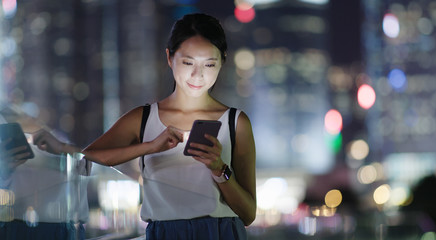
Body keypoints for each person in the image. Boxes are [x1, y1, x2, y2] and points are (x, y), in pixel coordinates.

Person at [82, 13, 256, 239]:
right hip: (164, 233)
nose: (198, 74)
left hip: (220, 232)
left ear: (222, 61)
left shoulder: (236, 122)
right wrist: (150, 146)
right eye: (188, 62)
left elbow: (248, 214)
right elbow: (89, 156)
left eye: (209, 64)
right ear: (169, 57)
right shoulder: (143, 118)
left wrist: (219, 169)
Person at [0, 104, 90, 240]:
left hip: (56, 226)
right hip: (21, 224)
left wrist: (63, 148)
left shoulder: (61, 142)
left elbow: (87, 165)